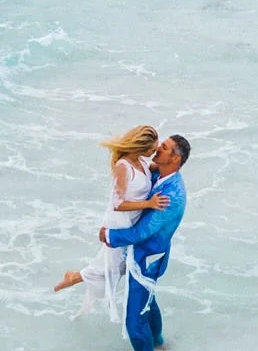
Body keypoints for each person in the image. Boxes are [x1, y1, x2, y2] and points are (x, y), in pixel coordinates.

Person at [52, 125, 171, 320]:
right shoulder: (123, 167)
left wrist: (172, 161)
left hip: (133, 222)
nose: (154, 152)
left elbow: (160, 168)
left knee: (118, 266)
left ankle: (75, 276)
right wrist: (149, 203)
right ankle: (74, 277)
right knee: (112, 267)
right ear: (141, 147)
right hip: (120, 222)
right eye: (152, 149)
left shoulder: (142, 162)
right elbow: (118, 204)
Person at [100, 134, 190, 351]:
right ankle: (159, 341)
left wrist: (110, 236)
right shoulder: (161, 173)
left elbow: (144, 231)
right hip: (153, 253)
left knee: (134, 318)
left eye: (165, 147)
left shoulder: (172, 195)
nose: (158, 148)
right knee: (148, 300)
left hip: (147, 256)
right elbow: (143, 168)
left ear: (176, 159)